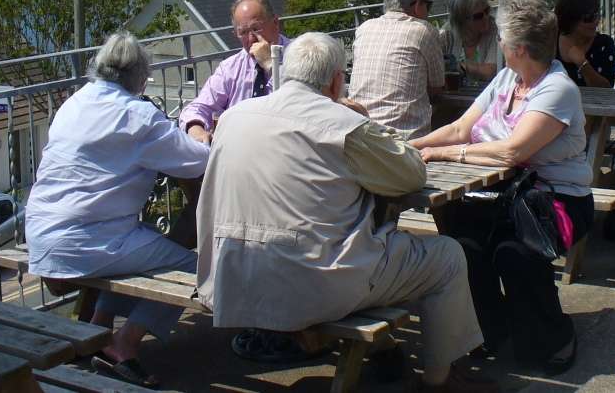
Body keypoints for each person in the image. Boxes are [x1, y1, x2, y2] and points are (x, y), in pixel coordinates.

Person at [196, 33, 495, 392]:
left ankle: (382, 351)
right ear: (337, 79)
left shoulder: (233, 118)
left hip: (234, 277)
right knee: (446, 256)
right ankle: (439, 381)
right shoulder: (343, 125)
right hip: (313, 284)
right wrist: (367, 122)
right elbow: (410, 174)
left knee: (345, 243)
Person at [411, 0, 593, 375]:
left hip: (554, 201)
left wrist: (447, 156)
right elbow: (462, 127)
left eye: (503, 38)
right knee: (463, 247)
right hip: (501, 196)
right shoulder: (509, 78)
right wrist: (411, 147)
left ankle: (554, 337)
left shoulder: (558, 89)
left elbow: (513, 152)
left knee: (517, 254)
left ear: (519, 49)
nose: (499, 42)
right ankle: (489, 333)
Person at [26, 32, 210, 389]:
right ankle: (124, 344)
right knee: (195, 269)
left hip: (41, 230)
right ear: (140, 77)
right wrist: (207, 139)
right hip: (83, 242)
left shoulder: (76, 101)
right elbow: (194, 161)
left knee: (143, 247)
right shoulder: (137, 115)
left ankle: (97, 327)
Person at [178, 0, 290, 143]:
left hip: (285, 146)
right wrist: (197, 130)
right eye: (243, 32)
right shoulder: (231, 67)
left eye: (256, 29)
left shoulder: (299, 55)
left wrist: (270, 64)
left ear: (275, 23)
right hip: (240, 149)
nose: (251, 39)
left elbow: (302, 100)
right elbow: (198, 107)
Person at [349, 0, 445, 138]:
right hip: (404, 137)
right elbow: (437, 87)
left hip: (361, 131)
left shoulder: (364, 28)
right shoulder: (423, 30)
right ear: (417, 6)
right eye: (427, 5)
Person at [554, 0, 615, 88]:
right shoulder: (550, 42)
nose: (596, 21)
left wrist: (583, 64)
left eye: (597, 15)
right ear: (571, 21)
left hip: (596, 103)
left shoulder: (603, 44)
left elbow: (607, 90)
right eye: (589, 18)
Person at [438, 0, 499, 85]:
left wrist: (460, 66)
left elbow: (490, 72)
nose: (486, 17)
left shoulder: (495, 31)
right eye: (478, 16)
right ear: (462, 20)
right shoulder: (447, 34)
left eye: (487, 10)